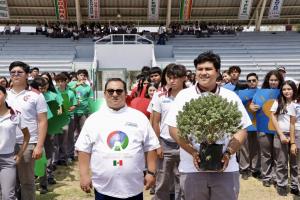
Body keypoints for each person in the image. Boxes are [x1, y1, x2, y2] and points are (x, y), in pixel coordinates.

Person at [165, 51, 252, 200]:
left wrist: (228, 153)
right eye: (200, 69)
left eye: (208, 69)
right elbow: (173, 129)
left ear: (217, 72)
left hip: (226, 169)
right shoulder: (184, 96)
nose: (203, 73)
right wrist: (192, 151)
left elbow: (241, 129)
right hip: (191, 169)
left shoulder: (230, 97)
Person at [75, 78, 160, 199]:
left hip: (133, 188)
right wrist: (84, 175)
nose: (115, 94)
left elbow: (151, 146)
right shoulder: (93, 120)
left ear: (126, 94)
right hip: (103, 189)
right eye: (110, 91)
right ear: (105, 94)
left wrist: (151, 172)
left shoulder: (139, 118)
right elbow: (83, 149)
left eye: (119, 91)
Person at [6, 61, 48, 200]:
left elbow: (42, 121)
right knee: (8, 183)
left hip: (27, 144)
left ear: (27, 75)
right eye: (13, 72)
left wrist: (39, 146)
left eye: (19, 72)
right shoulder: (4, 95)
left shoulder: (36, 96)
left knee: (27, 182)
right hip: (5, 145)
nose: (15, 75)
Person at [153, 64, 186, 200]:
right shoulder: (159, 95)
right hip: (165, 143)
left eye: (176, 78)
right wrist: (157, 144)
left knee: (182, 178)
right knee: (162, 178)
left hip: (184, 143)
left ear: (183, 78)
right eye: (169, 77)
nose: (172, 81)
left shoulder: (190, 95)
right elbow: (155, 121)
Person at [249, 70, 284, 187]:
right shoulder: (259, 93)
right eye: (271, 80)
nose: (273, 82)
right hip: (263, 127)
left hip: (279, 128)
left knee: (278, 153)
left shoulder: (284, 92)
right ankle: (267, 176)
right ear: (267, 81)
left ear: (279, 81)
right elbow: (252, 104)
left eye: (275, 80)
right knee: (266, 154)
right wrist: (252, 106)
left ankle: (276, 177)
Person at [0, 86, 30, 200]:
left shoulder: (15, 114)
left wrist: (20, 154)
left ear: (5, 96)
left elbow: (26, 136)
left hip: (7, 160)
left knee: (8, 195)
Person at [270, 80, 299, 196]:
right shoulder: (278, 102)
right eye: (284, 89)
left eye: (289, 89)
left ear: (294, 90)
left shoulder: (297, 102)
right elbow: (273, 118)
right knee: (281, 162)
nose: (286, 91)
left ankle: (294, 185)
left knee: (295, 162)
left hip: (296, 135)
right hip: (281, 135)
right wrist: (281, 134)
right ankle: (281, 184)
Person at [238, 73, 261, 180]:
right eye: (250, 80)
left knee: (256, 148)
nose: (252, 82)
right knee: (244, 148)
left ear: (257, 81)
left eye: (254, 80)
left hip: (259, 124)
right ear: (247, 82)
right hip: (245, 123)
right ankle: (244, 168)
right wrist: (247, 105)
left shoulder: (262, 93)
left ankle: (255, 169)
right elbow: (237, 105)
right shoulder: (241, 93)